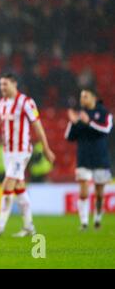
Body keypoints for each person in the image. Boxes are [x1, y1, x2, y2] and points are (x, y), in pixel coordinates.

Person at [0, 73, 55, 237]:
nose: (2, 87)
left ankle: (0, 226)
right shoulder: (1, 104)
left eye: (5, 84)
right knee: (19, 189)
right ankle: (29, 226)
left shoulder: (26, 102)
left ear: (14, 84)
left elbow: (38, 127)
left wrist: (46, 149)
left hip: (22, 150)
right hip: (8, 152)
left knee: (7, 185)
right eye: (1, 84)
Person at [65, 88, 113, 230]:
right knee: (84, 192)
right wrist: (73, 122)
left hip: (100, 158)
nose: (82, 99)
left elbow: (106, 129)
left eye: (85, 96)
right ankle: (84, 222)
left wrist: (89, 122)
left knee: (99, 194)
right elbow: (69, 137)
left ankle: (97, 219)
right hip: (84, 158)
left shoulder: (104, 113)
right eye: (81, 96)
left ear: (93, 98)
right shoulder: (80, 115)